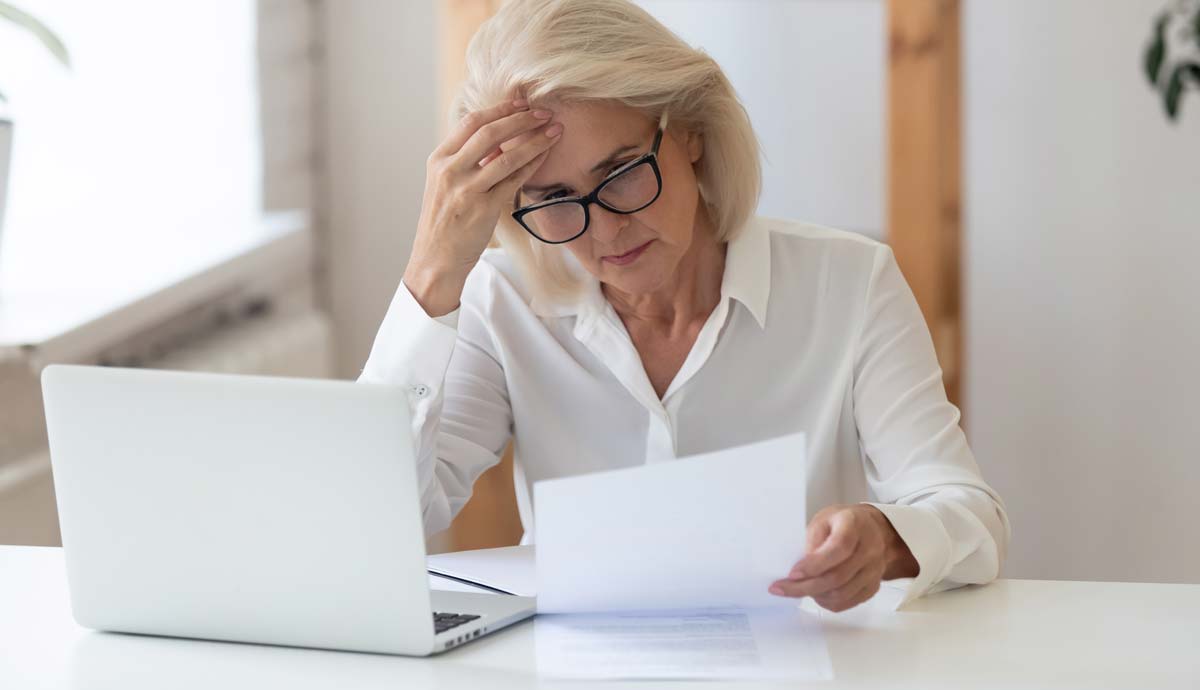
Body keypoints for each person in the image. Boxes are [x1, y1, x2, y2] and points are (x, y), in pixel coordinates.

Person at [358, 0, 1009, 612]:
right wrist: (431, 271)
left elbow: (970, 517)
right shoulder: (503, 302)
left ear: (691, 131)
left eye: (620, 174)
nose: (606, 229)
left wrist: (887, 537)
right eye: (554, 199)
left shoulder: (849, 282)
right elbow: (378, 518)